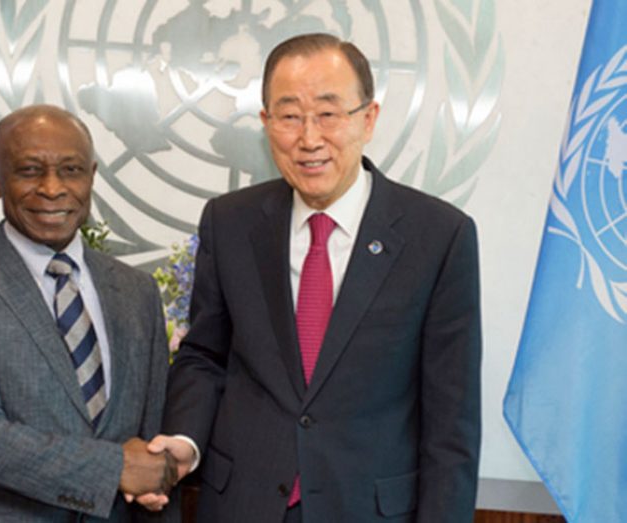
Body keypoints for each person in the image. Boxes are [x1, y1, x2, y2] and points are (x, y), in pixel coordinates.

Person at [140, 33, 482, 522]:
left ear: (368, 119)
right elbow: (205, 356)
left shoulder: (439, 236)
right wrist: (183, 442)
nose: (309, 138)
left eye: (328, 113)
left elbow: (453, 421)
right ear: (265, 123)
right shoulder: (230, 222)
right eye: (289, 115)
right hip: (243, 505)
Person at [0, 105, 177, 521]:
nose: (52, 188)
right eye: (30, 171)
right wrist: (115, 468)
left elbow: (150, 445)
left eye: (71, 170)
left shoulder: (136, 291)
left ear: (92, 176)